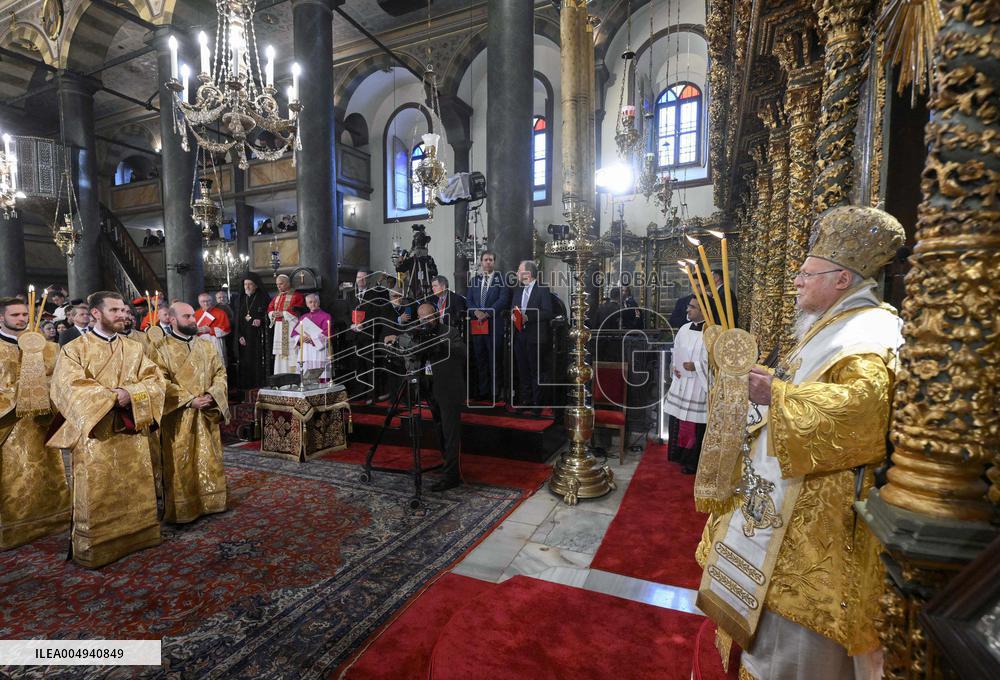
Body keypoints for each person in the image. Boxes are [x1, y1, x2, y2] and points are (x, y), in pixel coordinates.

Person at [696, 206, 906, 680]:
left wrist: (774, 392)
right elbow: (806, 385)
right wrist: (770, 383)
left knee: (796, 639)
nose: (797, 281)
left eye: (807, 274)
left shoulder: (867, 331)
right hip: (787, 485)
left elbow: (864, 411)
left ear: (842, 279)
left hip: (819, 507)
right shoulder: (831, 324)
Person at [48, 291, 166, 568]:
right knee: (97, 489)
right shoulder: (75, 349)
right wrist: (112, 398)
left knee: (135, 484)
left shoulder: (135, 348)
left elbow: (156, 380)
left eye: (124, 310)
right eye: (115, 311)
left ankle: (140, 534)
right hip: (95, 433)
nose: (123, 315)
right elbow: (67, 388)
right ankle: (98, 545)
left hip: (132, 431)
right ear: (96, 314)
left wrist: (131, 393)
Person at [0, 297, 70, 549]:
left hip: (41, 422)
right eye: (15, 315)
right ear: (1, 318)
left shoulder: (48, 348)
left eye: (24, 314)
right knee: (12, 479)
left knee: (48, 472)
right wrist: (22, 391)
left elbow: (59, 380)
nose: (21, 319)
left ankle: (55, 519)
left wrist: (44, 390)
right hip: (9, 426)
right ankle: (15, 528)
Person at [153, 302, 229, 524]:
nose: (193, 320)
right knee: (180, 460)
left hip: (206, 411)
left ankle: (212, 501)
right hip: (179, 415)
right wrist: (189, 400)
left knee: (209, 455)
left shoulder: (206, 346)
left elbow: (220, 373)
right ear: (173, 320)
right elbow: (159, 381)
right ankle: (184, 508)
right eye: (187, 317)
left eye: (193, 316)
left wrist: (212, 395)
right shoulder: (161, 349)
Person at [384, 303, 466, 491]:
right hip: (430, 389)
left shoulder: (449, 331)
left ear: (436, 316)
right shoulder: (418, 332)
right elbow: (406, 345)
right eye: (421, 319)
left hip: (449, 389)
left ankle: (452, 476)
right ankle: (448, 466)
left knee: (451, 433)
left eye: (428, 318)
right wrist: (396, 339)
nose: (425, 322)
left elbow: (463, 353)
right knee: (440, 430)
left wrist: (439, 344)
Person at [663, 297, 708, 474]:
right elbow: (677, 350)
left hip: (698, 385)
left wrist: (696, 366)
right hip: (682, 382)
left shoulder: (712, 332)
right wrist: (675, 366)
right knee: (680, 419)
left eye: (692, 307)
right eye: (689, 306)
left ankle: (692, 461)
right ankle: (677, 454)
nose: (688, 310)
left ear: (704, 311)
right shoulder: (683, 329)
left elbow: (716, 361)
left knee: (695, 424)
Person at [466, 250, 510, 401]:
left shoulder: (501, 280)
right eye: (485, 260)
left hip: (494, 325)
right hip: (478, 324)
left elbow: (503, 300)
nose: (488, 262)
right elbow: (469, 300)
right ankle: (483, 391)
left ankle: (495, 392)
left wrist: (487, 313)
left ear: (494, 262)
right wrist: (476, 312)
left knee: (494, 359)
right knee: (480, 359)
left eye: (491, 260)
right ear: (481, 262)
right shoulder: (474, 280)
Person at [511, 260, 552, 413]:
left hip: (536, 337)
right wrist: (513, 316)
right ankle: (526, 400)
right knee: (523, 370)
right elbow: (513, 309)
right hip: (520, 336)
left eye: (519, 270)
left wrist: (528, 317)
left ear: (527, 273)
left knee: (536, 371)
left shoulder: (542, 289)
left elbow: (548, 312)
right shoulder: (518, 290)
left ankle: (537, 404)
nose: (516, 273)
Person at [235, 274, 271, 389]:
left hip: (258, 337)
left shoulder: (264, 298)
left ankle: (259, 384)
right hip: (244, 337)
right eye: (245, 284)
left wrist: (261, 320)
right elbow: (237, 320)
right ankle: (246, 385)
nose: (247, 286)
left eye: (250, 284)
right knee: (245, 361)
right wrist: (239, 336)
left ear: (256, 285)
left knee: (257, 360)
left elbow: (270, 316)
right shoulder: (240, 299)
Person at [267, 274, 305, 374]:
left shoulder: (296, 296)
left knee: (291, 351)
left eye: (281, 284)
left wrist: (283, 313)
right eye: (277, 284)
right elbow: (270, 307)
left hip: (291, 328)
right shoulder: (277, 297)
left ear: (288, 283)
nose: (279, 286)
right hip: (279, 328)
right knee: (280, 353)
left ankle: (293, 376)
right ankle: (280, 375)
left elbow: (298, 311)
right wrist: (272, 313)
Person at [292, 293, 333, 379]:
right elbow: (294, 334)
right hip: (306, 351)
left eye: (315, 302)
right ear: (307, 304)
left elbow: (327, 333)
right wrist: (300, 338)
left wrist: (312, 339)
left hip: (319, 351)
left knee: (321, 376)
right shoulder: (303, 317)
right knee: (305, 376)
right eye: (310, 302)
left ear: (319, 302)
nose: (313, 304)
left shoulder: (326, 316)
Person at [195, 292, 231, 361]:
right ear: (199, 302)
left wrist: (210, 330)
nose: (206, 303)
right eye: (203, 301)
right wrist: (196, 330)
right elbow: (190, 331)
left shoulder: (221, 313)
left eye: (208, 301)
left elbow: (226, 329)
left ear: (211, 301)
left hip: (216, 342)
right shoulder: (196, 314)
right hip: (201, 343)